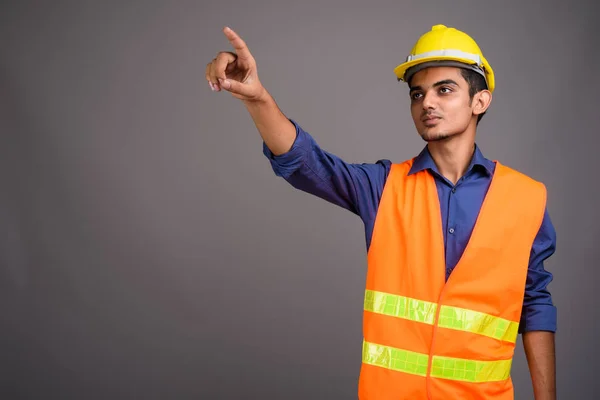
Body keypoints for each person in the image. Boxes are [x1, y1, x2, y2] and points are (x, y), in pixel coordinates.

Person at [206, 24, 557, 400]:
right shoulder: (383, 186)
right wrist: (257, 98)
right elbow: (306, 163)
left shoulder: (526, 197)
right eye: (417, 93)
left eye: (445, 89)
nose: (427, 103)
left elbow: (534, 303)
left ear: (480, 101)